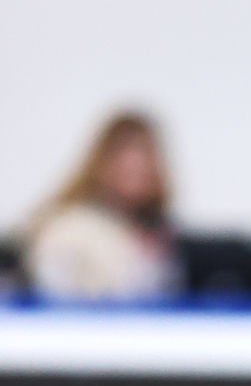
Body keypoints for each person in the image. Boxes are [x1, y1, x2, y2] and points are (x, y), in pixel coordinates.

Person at [24, 110, 181, 299]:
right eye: (127, 169)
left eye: (144, 169)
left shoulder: (158, 234)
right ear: (102, 165)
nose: (137, 170)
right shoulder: (70, 228)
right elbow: (55, 297)